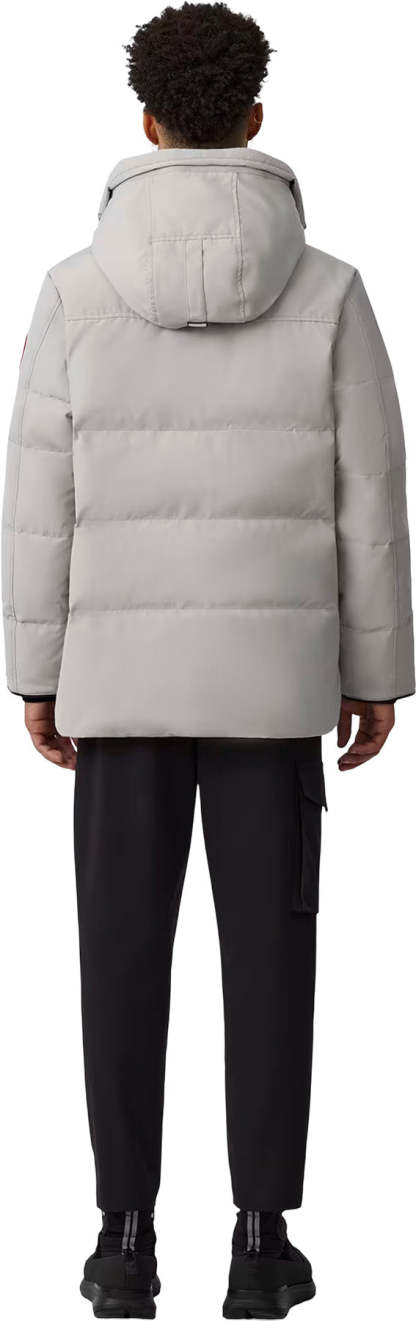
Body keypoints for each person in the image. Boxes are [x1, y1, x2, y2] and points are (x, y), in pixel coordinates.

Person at [2, 3, 414, 1318]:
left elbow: (38, 498)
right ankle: (260, 1238)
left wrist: (37, 671)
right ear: (254, 117)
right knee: (272, 963)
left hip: (118, 685)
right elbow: (371, 493)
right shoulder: (330, 289)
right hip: (274, 687)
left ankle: (122, 1240)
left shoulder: (72, 292)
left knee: (119, 956)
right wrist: (376, 670)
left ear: (147, 119)